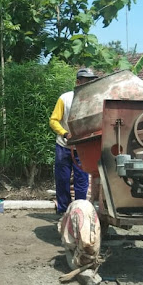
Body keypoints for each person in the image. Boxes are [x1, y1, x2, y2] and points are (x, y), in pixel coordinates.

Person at [49, 68, 98, 214]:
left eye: (91, 81)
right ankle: (63, 212)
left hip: (83, 148)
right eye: (86, 81)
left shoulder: (94, 100)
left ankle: (79, 212)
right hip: (64, 146)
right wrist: (64, 133)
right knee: (62, 179)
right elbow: (53, 120)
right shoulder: (65, 98)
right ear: (78, 82)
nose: (89, 83)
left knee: (82, 182)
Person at [58, 199, 103, 285]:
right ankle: (83, 261)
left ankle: (85, 260)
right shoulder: (74, 216)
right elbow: (65, 235)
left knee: (86, 242)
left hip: (81, 210)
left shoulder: (90, 240)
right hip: (78, 210)